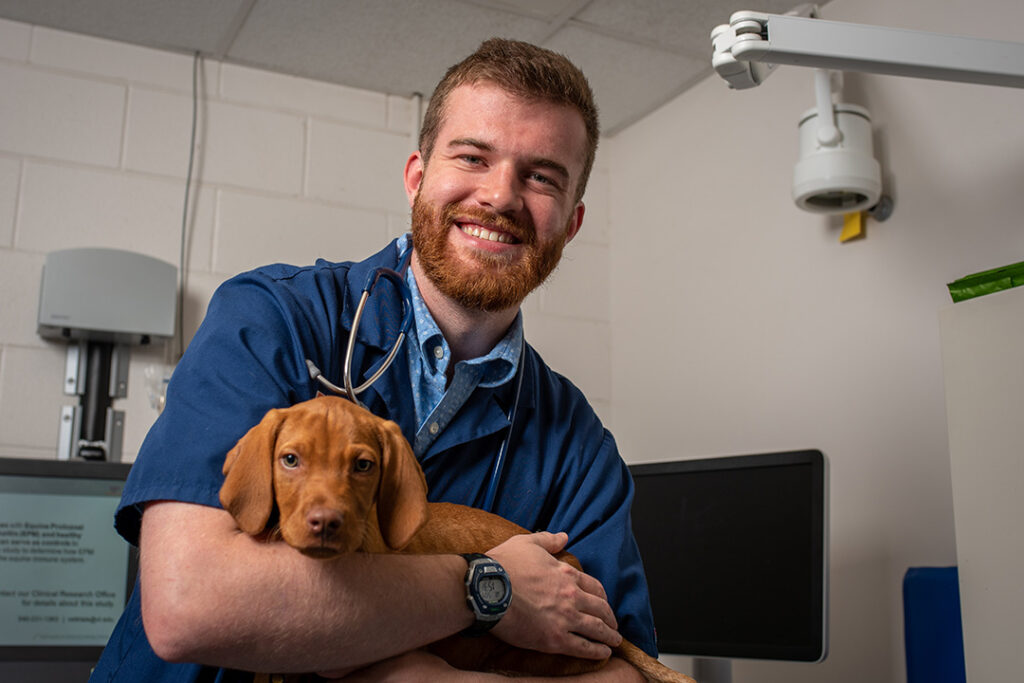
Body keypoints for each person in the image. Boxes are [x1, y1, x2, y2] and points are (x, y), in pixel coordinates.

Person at [90, 38, 656, 682]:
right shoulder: (272, 319)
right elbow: (192, 606)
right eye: (472, 157)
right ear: (417, 177)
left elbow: (626, 672)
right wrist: (487, 589)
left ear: (572, 222)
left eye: (541, 176)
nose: (500, 196)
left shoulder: (577, 448)